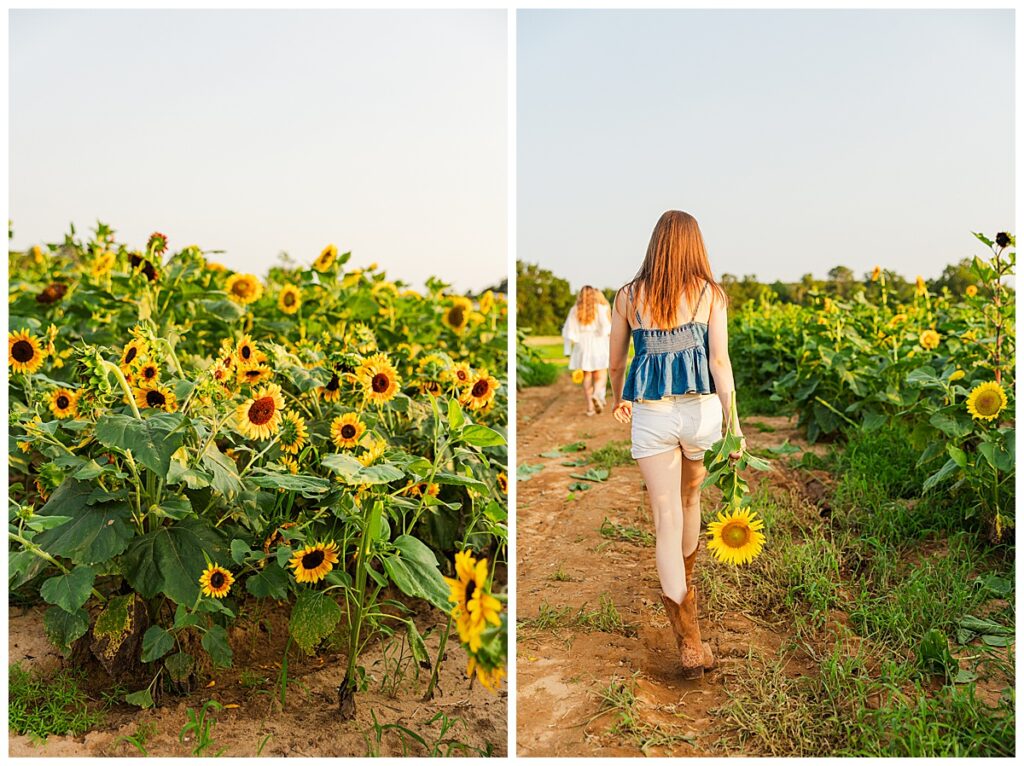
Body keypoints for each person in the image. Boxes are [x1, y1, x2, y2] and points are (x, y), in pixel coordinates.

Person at [609, 210, 745, 680]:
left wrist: (617, 398)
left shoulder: (627, 296)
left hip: (653, 413)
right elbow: (721, 362)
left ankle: (688, 636)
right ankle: (688, 599)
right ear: (695, 245)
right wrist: (735, 422)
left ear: (655, 244)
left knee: (664, 518)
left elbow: (616, 361)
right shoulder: (710, 294)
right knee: (691, 500)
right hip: (701, 411)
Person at [562, 285, 611, 415]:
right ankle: (597, 394)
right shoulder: (599, 308)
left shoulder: (574, 310)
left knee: (587, 375)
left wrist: (567, 349)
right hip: (598, 342)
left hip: (582, 344)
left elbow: (568, 331)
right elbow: (606, 327)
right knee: (601, 374)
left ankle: (590, 407)